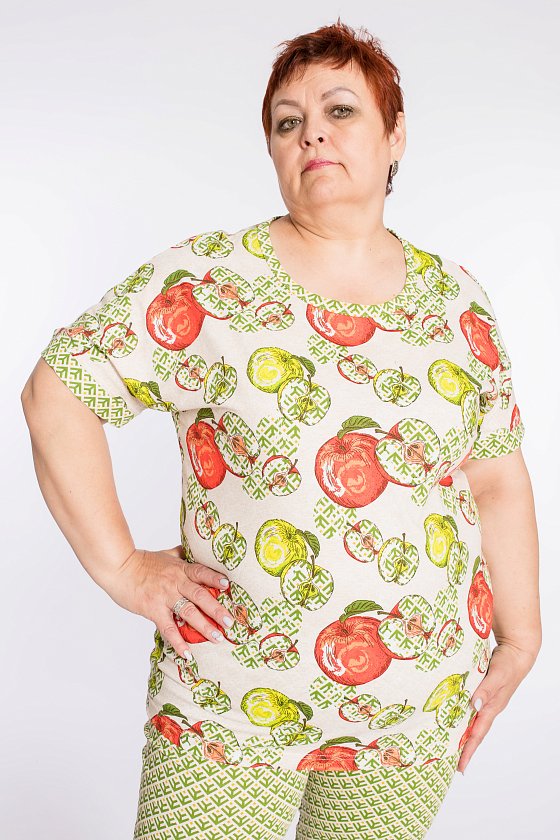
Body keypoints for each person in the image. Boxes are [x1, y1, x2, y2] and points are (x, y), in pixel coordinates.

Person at [21, 17, 541, 840]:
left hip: (416, 709)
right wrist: (122, 567)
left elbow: (496, 477)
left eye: (341, 110)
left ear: (396, 135)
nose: (312, 134)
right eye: (287, 121)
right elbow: (59, 390)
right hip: (232, 705)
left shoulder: (458, 301)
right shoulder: (213, 280)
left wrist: (522, 636)